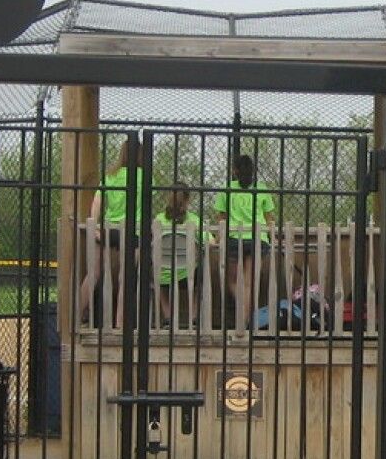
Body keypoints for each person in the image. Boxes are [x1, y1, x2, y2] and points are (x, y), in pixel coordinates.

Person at [82, 137, 146, 325]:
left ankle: (75, 315)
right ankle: (119, 323)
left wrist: (94, 225)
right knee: (125, 277)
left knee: (93, 273)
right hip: (131, 230)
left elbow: (96, 202)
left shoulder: (110, 176)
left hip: (108, 228)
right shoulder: (143, 176)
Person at [213, 154, 276, 328]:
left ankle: (242, 315)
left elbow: (221, 218)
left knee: (232, 280)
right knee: (248, 283)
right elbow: (269, 218)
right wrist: (273, 237)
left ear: (235, 171)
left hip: (235, 238)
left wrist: (218, 238)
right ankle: (245, 320)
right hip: (258, 238)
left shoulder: (227, 189)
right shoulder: (261, 189)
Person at [156, 187, 205, 327]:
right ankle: (194, 317)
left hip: (164, 275)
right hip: (188, 274)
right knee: (200, 279)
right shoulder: (194, 220)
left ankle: (167, 318)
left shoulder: (159, 219)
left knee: (155, 277)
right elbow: (210, 241)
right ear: (188, 200)